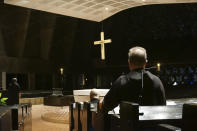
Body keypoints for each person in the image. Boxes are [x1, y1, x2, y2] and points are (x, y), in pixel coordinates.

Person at [101, 46, 166, 113]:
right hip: (152, 123)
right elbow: (163, 106)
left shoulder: (122, 81)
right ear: (145, 62)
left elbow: (106, 105)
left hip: (128, 123)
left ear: (129, 62)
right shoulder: (156, 81)